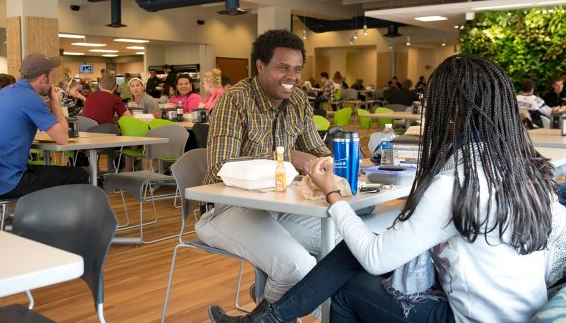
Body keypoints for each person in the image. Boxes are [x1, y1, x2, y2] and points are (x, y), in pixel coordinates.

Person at [209, 54, 566, 323]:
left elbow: (377, 258)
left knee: (348, 284)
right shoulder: (529, 170)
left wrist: (333, 195)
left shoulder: (455, 184)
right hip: (522, 306)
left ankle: (268, 319)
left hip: (474, 317)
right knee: (352, 251)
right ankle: (267, 319)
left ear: (450, 109)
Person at [197, 29, 331, 307]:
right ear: (260, 66)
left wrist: (332, 160)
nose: (292, 77)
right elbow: (219, 169)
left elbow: (317, 151)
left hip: (282, 206)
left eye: (296, 69)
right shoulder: (234, 100)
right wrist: (285, 158)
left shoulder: (298, 101)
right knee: (296, 268)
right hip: (226, 209)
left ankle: (267, 301)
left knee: (339, 245)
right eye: (282, 67)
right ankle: (272, 300)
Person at [0, 53, 89, 199]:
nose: (52, 82)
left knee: (50, 173)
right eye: (52, 76)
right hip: (7, 182)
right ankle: (58, 220)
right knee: (79, 175)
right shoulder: (31, 98)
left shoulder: (5, 92)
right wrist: (55, 103)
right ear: (43, 78)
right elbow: (63, 138)